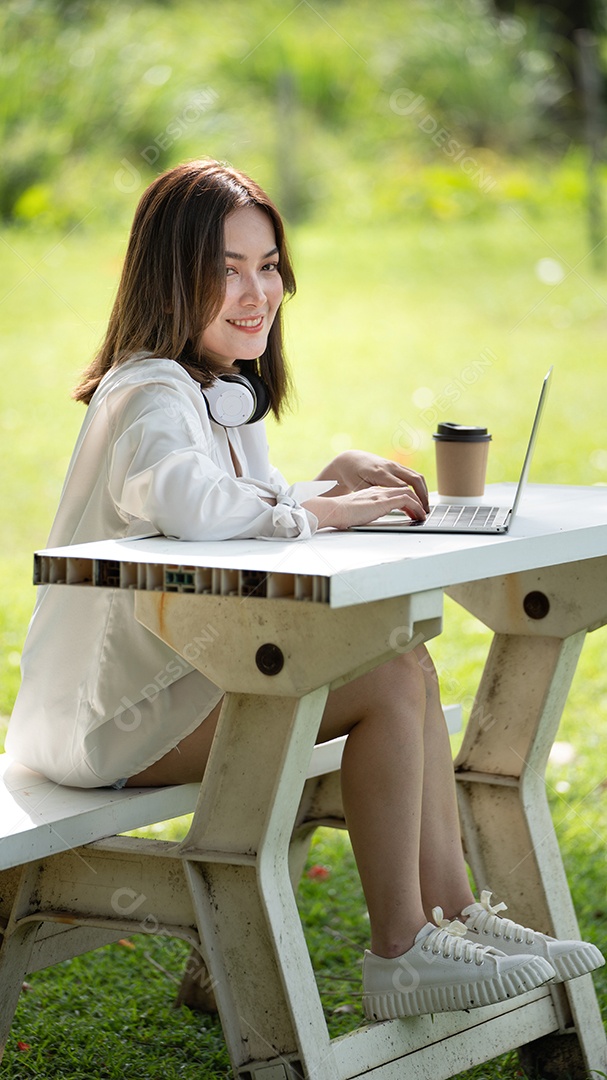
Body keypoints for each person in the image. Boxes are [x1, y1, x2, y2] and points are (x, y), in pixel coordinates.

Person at [6, 159, 603, 1021]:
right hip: (102, 725)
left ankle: (453, 918)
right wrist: (316, 511)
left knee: (408, 666)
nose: (256, 292)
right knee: (391, 678)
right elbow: (191, 505)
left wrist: (314, 485)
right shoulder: (149, 391)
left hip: (158, 700)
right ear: (169, 275)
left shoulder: (216, 394)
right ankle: (401, 951)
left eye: (269, 265)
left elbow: (234, 507)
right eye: (226, 269)